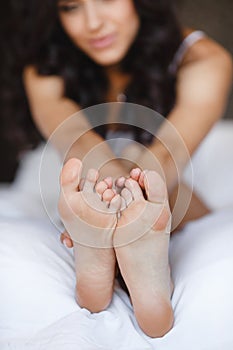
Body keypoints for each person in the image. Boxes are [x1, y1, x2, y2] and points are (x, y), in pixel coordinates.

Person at [2, 0, 232, 338]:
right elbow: (76, 141)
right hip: (94, 187)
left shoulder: (205, 61)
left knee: (160, 190)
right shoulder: (45, 68)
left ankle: (108, 250)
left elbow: (167, 157)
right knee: (93, 184)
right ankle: (137, 259)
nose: (93, 23)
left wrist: (132, 202)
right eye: (71, 7)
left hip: (164, 187)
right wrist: (119, 204)